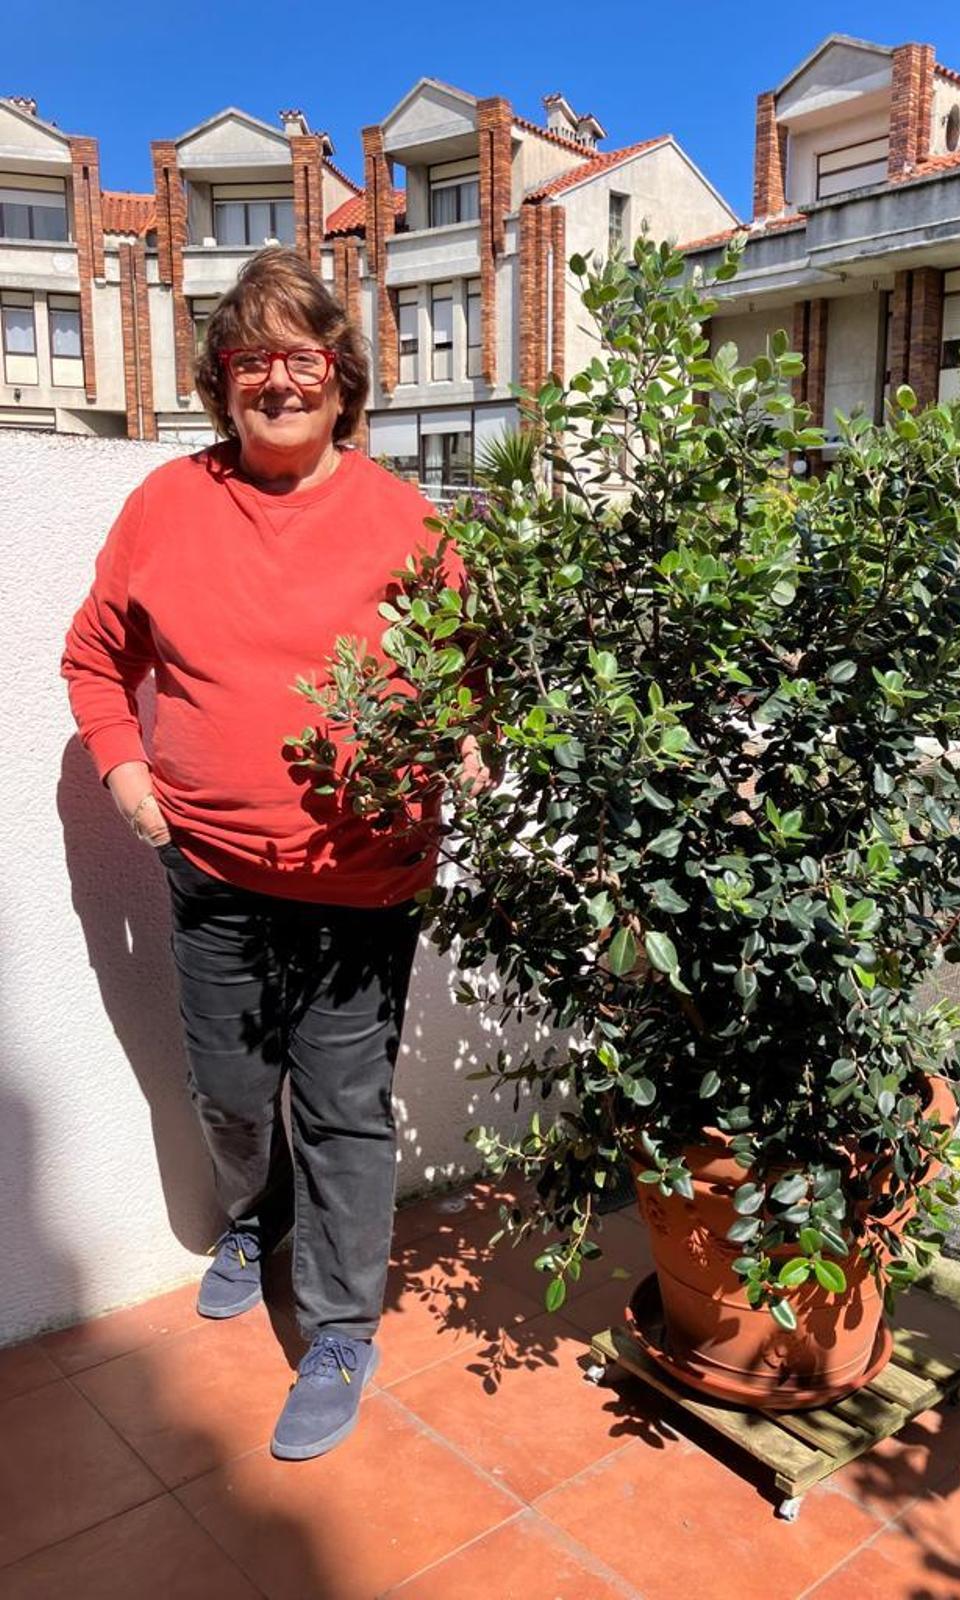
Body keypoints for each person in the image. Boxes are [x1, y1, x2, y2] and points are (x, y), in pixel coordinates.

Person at [61, 246, 484, 1462]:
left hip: (365, 884)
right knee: (233, 1095)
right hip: (214, 878)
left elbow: (468, 680)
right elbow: (95, 658)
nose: (280, 382)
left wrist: (466, 748)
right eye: (253, 362)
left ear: (344, 380)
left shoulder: (410, 518)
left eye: (304, 359)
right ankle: (258, 1216)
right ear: (221, 384)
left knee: (346, 1109)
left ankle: (345, 1327)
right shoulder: (166, 506)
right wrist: (128, 775)